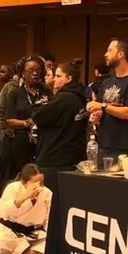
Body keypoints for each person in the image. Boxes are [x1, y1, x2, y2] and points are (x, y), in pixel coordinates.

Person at [33, 59, 88, 194]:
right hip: (72, 158)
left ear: (68, 79)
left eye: (58, 76)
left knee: (51, 200)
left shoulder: (63, 98)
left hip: (54, 158)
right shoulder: (81, 98)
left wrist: (39, 105)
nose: (54, 80)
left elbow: (38, 116)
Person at [86, 39, 128, 159]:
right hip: (103, 144)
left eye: (110, 50)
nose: (105, 54)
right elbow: (101, 110)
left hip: (124, 148)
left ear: (120, 54)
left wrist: (103, 106)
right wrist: (96, 116)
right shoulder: (107, 82)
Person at [0, 56, 49, 192]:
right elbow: (8, 120)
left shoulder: (47, 93)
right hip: (20, 141)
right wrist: (27, 123)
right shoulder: (15, 93)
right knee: (19, 177)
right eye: (31, 70)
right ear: (23, 74)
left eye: (38, 70)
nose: (35, 73)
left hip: (42, 142)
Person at [0, 163, 52, 254]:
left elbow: (49, 218)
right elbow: (2, 212)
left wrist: (50, 233)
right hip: (10, 232)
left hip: (33, 234)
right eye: (34, 183)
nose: (38, 186)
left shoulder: (47, 193)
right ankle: (23, 250)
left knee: (53, 242)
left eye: (41, 182)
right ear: (24, 182)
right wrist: (24, 197)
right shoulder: (12, 188)